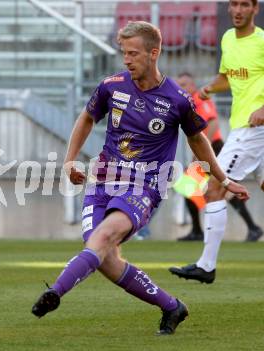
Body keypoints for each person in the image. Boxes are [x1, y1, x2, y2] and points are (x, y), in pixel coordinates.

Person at [31, 21, 249, 335]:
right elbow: (87, 117)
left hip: (145, 186)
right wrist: (69, 160)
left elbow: (198, 139)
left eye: (133, 53)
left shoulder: (176, 98)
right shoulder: (112, 85)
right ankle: (172, 307)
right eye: (124, 53)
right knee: (103, 257)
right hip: (103, 181)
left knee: (102, 239)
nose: (127, 60)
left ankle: (56, 292)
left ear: (153, 53)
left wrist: (223, 179)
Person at [169, 0, 264, 284]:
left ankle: (206, 266)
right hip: (243, 126)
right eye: (233, 4)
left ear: (254, 9)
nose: (237, 10)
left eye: (244, 5)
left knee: (213, 188)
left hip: (251, 129)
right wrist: (211, 86)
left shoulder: (261, 41)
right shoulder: (227, 39)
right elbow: (228, 76)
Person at [175, 72, 263, 242]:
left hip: (213, 149)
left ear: (193, 86)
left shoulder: (199, 100)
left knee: (196, 188)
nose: (181, 88)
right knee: (200, 189)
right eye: (179, 85)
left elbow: (213, 122)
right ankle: (252, 228)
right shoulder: (189, 102)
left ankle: (199, 232)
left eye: (184, 84)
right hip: (208, 149)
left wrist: (199, 153)